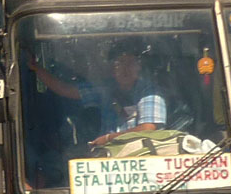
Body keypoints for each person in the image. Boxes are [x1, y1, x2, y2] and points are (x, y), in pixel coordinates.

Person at [27, 41, 166, 146]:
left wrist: (107, 139)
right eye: (119, 63)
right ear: (112, 69)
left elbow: (148, 129)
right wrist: (36, 68)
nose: (125, 69)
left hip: (141, 156)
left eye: (131, 63)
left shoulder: (149, 91)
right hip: (108, 155)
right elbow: (65, 89)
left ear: (139, 67)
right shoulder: (106, 89)